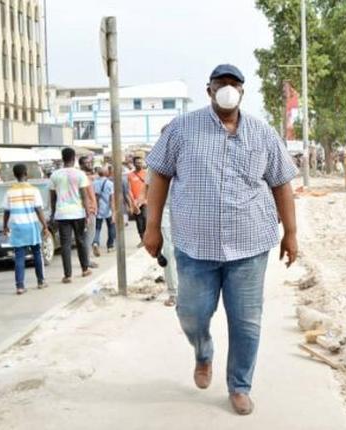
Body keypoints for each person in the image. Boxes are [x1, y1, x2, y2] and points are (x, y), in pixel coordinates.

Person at [143, 64, 298, 415]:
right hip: (196, 246)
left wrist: (291, 233)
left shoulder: (262, 133)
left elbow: (281, 184)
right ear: (209, 90)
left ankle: (239, 386)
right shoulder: (182, 130)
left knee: (246, 321)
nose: (227, 89)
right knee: (192, 315)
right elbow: (159, 176)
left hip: (249, 245)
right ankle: (203, 352)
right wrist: (152, 227)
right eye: (220, 84)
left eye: (234, 84)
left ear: (242, 91)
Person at [3, 164, 50, 295]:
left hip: (17, 226)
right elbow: (38, 209)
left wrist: (5, 226)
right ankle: (41, 281)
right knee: (37, 253)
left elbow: (6, 212)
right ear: (26, 173)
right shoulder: (33, 190)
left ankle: (20, 286)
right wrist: (45, 226)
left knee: (19, 256)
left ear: (15, 175)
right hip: (31, 225)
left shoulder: (10, 191)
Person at [50, 147, 92, 283]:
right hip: (78, 212)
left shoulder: (55, 175)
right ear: (74, 159)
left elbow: (52, 197)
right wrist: (87, 213)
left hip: (62, 214)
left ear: (62, 159)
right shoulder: (80, 174)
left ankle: (68, 275)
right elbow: (84, 196)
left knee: (65, 245)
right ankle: (85, 269)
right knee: (81, 241)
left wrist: (53, 213)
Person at [79, 156, 99, 265]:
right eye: (86, 163)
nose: (89, 164)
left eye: (90, 162)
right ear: (81, 165)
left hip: (89, 209)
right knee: (88, 237)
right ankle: (86, 261)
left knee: (87, 237)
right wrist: (90, 210)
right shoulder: (82, 177)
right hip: (88, 210)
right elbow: (85, 197)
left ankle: (85, 260)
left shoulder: (87, 177)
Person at [92, 166, 115, 255]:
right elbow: (112, 199)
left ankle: (95, 242)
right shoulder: (110, 183)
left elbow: (94, 196)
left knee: (97, 228)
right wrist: (113, 213)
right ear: (106, 173)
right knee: (111, 227)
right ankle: (110, 246)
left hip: (98, 209)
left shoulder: (94, 183)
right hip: (107, 210)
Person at [128, 156, 148, 246]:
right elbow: (129, 190)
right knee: (139, 221)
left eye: (141, 162)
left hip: (145, 201)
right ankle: (142, 239)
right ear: (134, 164)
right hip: (135, 202)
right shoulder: (130, 175)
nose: (139, 164)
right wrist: (133, 202)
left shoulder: (147, 174)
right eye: (137, 162)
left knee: (146, 218)